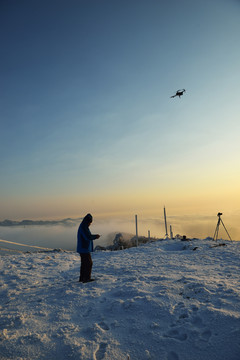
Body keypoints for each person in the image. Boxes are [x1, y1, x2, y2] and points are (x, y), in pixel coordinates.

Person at [77, 213, 100, 283]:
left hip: (83, 248)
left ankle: (82, 278)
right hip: (84, 249)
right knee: (88, 263)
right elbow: (88, 237)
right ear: (88, 221)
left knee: (84, 263)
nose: (90, 224)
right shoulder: (84, 227)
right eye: (90, 222)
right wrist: (95, 236)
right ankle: (86, 278)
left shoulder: (83, 226)